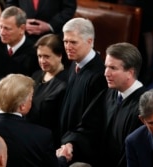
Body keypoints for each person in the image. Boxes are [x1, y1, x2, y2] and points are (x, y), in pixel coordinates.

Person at [0, 74, 70, 167]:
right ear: (22, 106)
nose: (32, 102)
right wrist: (62, 158)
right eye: (31, 98)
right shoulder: (42, 136)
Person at [57, 17, 108, 165]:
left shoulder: (99, 75)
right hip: (66, 143)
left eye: (73, 42)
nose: (67, 46)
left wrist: (71, 143)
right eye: (65, 41)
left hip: (80, 151)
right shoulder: (75, 64)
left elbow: (93, 121)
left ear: (90, 41)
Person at [98, 42, 147, 167]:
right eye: (106, 67)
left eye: (113, 68)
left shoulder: (144, 107)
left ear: (130, 73)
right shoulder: (111, 93)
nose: (106, 73)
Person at [26, 33, 68, 148]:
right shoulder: (36, 75)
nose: (42, 61)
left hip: (48, 142)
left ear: (59, 55)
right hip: (29, 137)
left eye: (47, 56)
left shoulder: (65, 82)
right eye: (39, 56)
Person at [5, 0, 77, 43]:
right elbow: (10, 4)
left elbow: (69, 8)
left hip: (53, 38)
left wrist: (50, 26)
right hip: (22, 37)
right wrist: (21, 21)